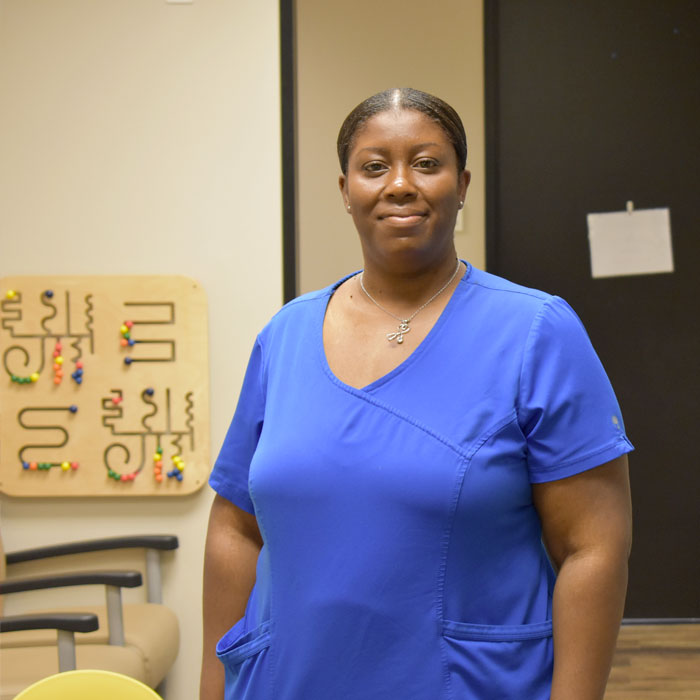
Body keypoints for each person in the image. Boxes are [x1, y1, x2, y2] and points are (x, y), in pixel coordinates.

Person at [200, 88, 633, 700]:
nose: (399, 184)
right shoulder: (285, 335)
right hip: (290, 682)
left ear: (463, 185)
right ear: (345, 190)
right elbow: (236, 526)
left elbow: (592, 547)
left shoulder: (536, 332)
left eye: (427, 163)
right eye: (373, 166)